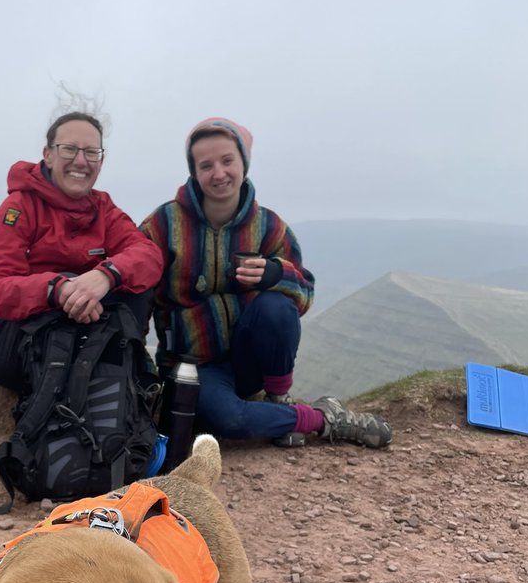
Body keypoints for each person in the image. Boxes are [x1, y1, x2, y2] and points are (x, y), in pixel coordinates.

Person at [140, 117, 392, 449]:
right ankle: (324, 418)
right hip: (194, 369)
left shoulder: (269, 227)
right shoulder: (162, 225)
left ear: (244, 162)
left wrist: (276, 274)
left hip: (250, 362)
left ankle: (277, 400)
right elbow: (137, 295)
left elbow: (303, 296)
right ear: (194, 172)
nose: (219, 173)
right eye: (206, 165)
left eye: (228, 161)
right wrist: (144, 373)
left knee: (276, 305)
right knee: (229, 420)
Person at [0, 110, 164, 392]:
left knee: (135, 283)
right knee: (70, 279)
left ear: (101, 162)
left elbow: (148, 255)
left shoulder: (103, 209)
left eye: (91, 152)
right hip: (12, 341)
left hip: (83, 334)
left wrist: (105, 276)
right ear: (48, 155)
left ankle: (123, 370)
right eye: (69, 149)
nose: (80, 161)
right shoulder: (20, 207)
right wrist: (58, 290)